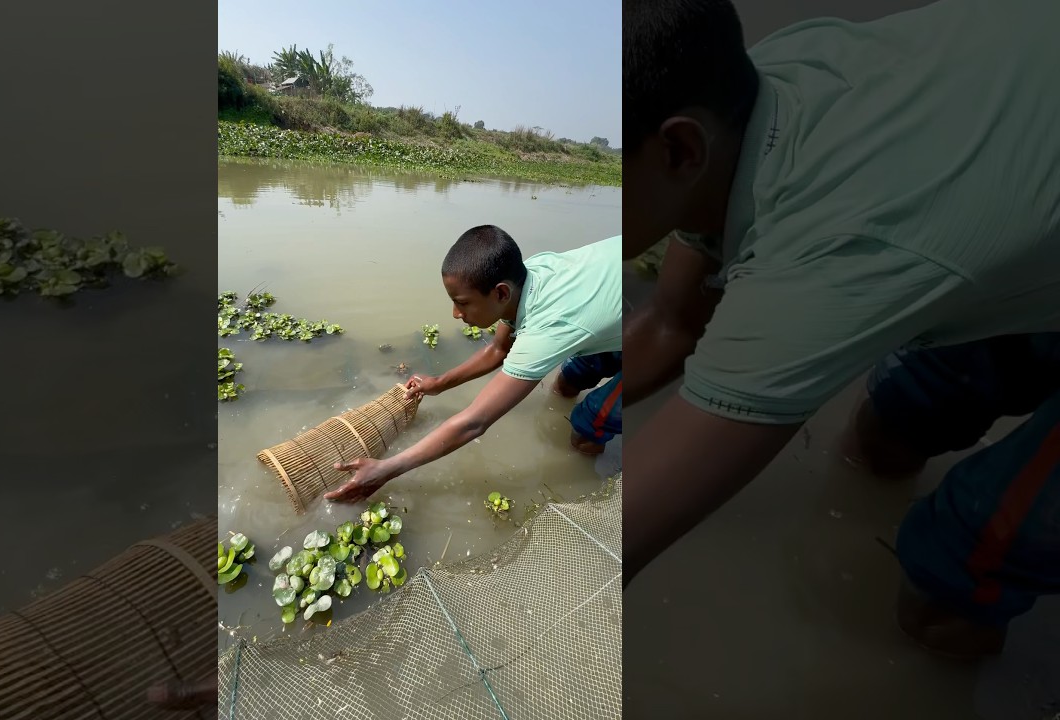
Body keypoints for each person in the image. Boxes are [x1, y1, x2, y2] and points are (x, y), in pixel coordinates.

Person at [621, 0, 1060, 659]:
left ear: (681, 149)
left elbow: (617, 545)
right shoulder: (752, 89)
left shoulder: (822, 264)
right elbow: (669, 323)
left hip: (953, 212)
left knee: (955, 578)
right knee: (888, 432)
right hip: (994, 186)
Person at [324, 225, 622, 503]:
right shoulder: (529, 276)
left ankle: (585, 472)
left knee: (589, 421)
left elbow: (474, 423)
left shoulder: (546, 331)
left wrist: (387, 469)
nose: (455, 313)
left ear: (501, 293)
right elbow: (498, 349)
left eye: (463, 302)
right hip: (619, 301)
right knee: (570, 378)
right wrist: (439, 384)